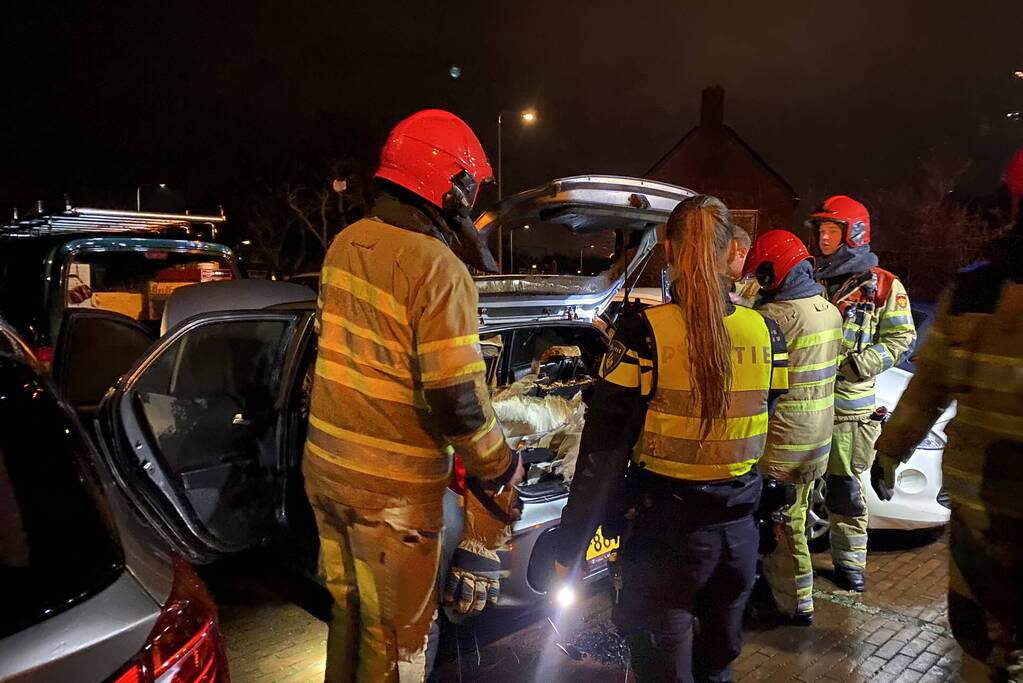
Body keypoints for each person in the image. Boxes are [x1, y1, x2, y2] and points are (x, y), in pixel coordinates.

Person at [302, 109, 523, 682]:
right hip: (393, 496)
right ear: (450, 186)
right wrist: (502, 466)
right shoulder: (438, 267)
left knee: (349, 619)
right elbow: (457, 402)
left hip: (328, 475)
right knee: (397, 643)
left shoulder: (346, 243)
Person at [554, 195, 788, 682]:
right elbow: (764, 420)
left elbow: (603, 452)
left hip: (665, 539)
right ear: (732, 253)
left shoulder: (644, 333)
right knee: (716, 668)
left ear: (670, 250)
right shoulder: (767, 333)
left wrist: (572, 545)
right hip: (738, 537)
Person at [872, 222, 1023, 682]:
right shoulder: (974, 288)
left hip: (982, 511)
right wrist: (890, 449)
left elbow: (928, 386)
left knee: (986, 644)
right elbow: (929, 385)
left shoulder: (976, 287)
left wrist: (892, 449)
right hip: (979, 516)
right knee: (978, 640)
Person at [808, 195, 916, 592]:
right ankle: (790, 560)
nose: (823, 238)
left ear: (853, 233)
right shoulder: (808, 279)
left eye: (831, 231)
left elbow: (902, 338)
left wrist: (861, 365)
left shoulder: (883, 285)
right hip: (805, 405)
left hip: (849, 411)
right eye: (820, 231)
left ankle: (850, 564)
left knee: (845, 492)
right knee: (795, 489)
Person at [743, 230, 843, 625]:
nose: (761, 282)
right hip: (816, 437)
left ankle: (792, 604)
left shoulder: (776, 318)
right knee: (795, 517)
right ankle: (794, 597)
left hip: (783, 441)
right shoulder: (828, 309)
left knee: (783, 524)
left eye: (762, 274)